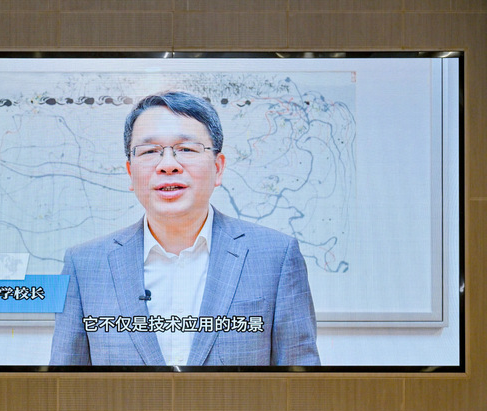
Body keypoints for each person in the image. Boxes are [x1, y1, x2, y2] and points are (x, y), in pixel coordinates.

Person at [49, 91, 320, 366]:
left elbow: (299, 383)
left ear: (218, 168)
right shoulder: (84, 266)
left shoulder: (276, 257)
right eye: (149, 151)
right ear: (130, 172)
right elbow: (65, 385)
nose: (168, 165)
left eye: (187, 149)